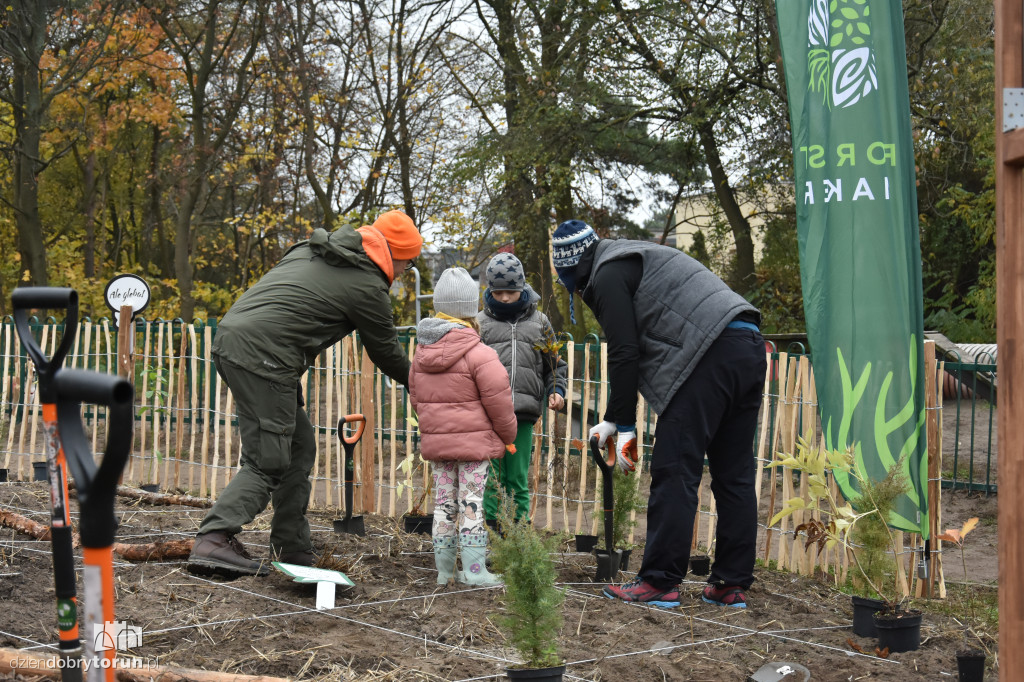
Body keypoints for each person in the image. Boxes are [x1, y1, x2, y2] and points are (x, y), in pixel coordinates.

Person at [188, 210, 422, 577]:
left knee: (299, 445)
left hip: (233, 339)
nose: (405, 273)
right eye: (407, 265)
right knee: (269, 458)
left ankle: (291, 546)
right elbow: (386, 352)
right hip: (265, 357)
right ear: (395, 254)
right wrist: (422, 384)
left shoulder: (313, 248)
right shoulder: (367, 285)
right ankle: (214, 537)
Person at [551, 219, 766, 609]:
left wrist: (624, 425)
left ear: (574, 269)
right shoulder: (632, 255)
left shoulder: (607, 272)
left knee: (675, 469)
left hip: (708, 351)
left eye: (573, 285)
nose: (579, 293)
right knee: (734, 473)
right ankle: (729, 584)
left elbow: (624, 350)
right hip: (747, 342)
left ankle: (659, 582)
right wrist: (623, 421)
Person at [408, 267, 517, 587]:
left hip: (440, 447)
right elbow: (500, 402)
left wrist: (436, 427)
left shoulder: (421, 353)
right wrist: (507, 436)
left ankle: (443, 571)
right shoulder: (480, 354)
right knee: (471, 504)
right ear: (471, 309)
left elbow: (417, 399)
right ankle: (473, 572)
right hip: (473, 449)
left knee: (444, 504)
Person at [476, 253, 567, 526]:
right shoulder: (480, 324)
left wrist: (557, 390)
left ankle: (518, 534)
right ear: (490, 289)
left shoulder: (540, 323)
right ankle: (492, 533)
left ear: (522, 288)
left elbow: (554, 365)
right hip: (488, 415)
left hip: (523, 415)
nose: (505, 297)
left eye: (511, 292)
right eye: (499, 291)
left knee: (516, 477)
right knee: (491, 476)